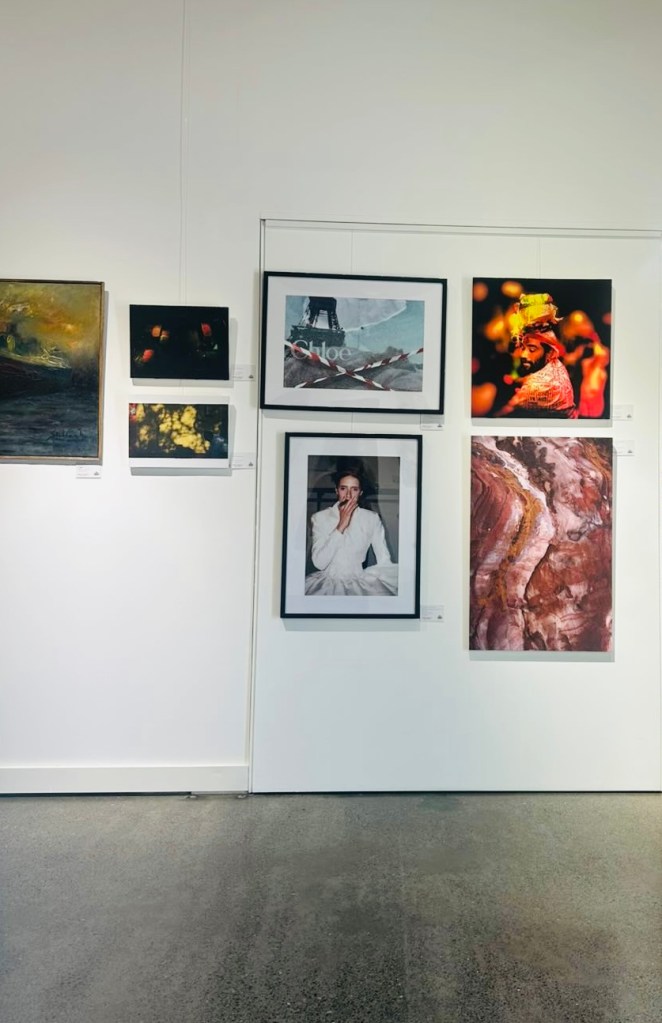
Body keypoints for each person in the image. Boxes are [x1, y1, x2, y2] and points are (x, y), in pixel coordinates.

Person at [305, 465, 398, 596]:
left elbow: (384, 561)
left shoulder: (372, 518)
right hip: (326, 586)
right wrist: (341, 526)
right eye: (343, 488)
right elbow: (319, 563)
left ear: (360, 492)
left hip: (361, 583)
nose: (348, 495)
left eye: (354, 489)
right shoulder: (320, 518)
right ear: (337, 490)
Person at [495, 292, 578, 418]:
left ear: (550, 352)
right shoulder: (556, 365)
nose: (523, 355)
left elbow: (501, 414)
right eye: (522, 348)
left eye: (532, 349)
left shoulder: (536, 386)